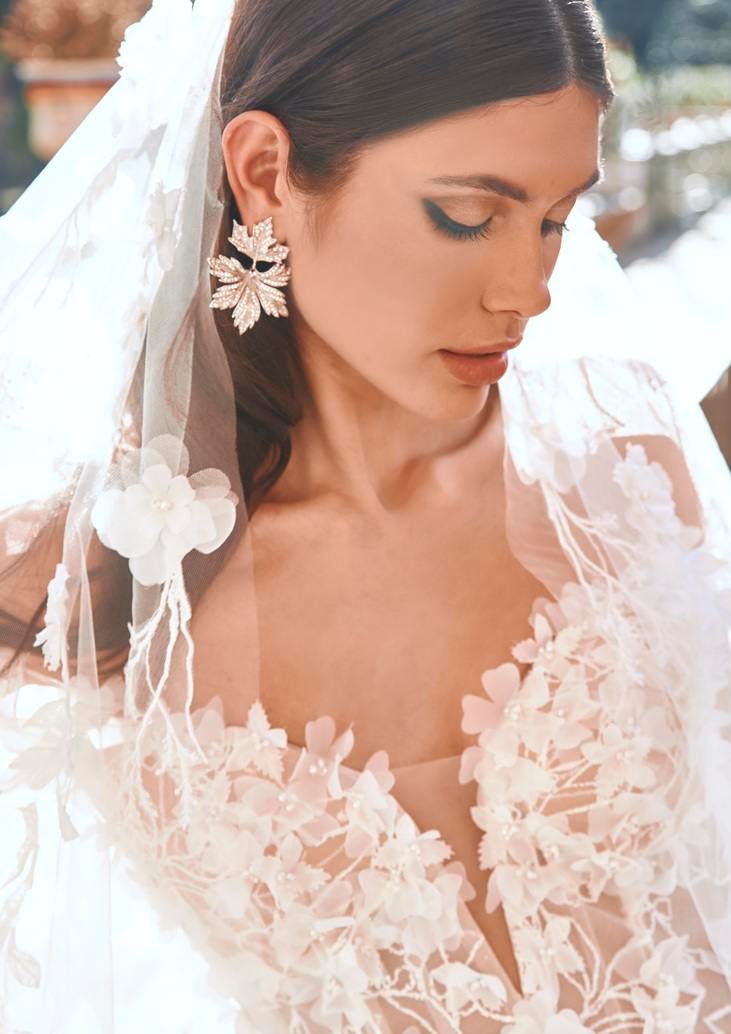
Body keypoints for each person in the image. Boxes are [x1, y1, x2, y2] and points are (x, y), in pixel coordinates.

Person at [0, 0, 730, 1030]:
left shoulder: (618, 470)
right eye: (467, 212)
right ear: (265, 175)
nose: (526, 290)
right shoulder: (96, 572)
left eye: (554, 218)